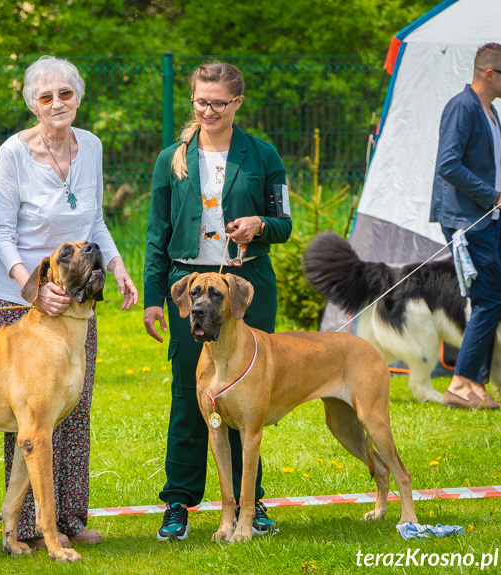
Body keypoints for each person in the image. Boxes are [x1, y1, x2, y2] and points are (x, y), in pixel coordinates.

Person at [0, 55, 138, 549]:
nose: (56, 104)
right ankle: (24, 527)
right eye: (46, 97)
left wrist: (116, 266)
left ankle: (70, 517)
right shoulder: (13, 152)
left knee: (73, 406)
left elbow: (93, 223)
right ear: (32, 103)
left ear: (78, 96)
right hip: (20, 291)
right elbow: (1, 232)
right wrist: (34, 286)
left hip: (76, 291)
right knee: (30, 416)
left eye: (65, 94)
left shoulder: (89, 145)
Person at [143, 61, 292, 541]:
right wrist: (152, 298)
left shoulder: (263, 155)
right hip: (191, 291)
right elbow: (155, 236)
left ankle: (252, 503)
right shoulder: (173, 157)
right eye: (200, 102)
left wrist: (260, 226)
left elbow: (284, 223)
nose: (208, 111)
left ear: (237, 104)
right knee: (191, 398)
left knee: (249, 400)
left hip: (247, 288)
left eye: (218, 103)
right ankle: (179, 502)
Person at [431, 43, 501, 410]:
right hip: (466, 220)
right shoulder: (462, 107)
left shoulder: (490, 112)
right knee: (491, 298)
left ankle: (474, 384)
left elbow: (495, 168)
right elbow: (448, 164)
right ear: (489, 74)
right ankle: (460, 383)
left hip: (489, 221)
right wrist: (493, 198)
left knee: (487, 299)